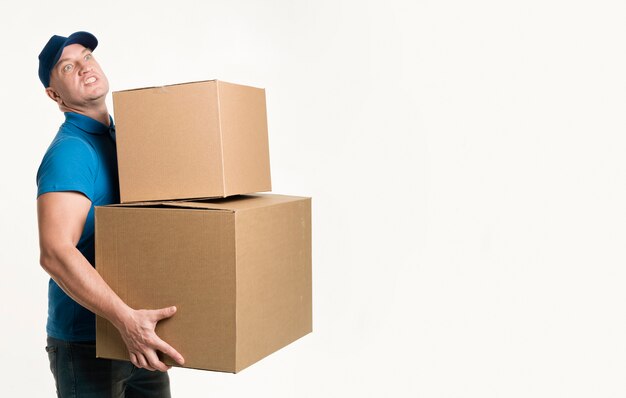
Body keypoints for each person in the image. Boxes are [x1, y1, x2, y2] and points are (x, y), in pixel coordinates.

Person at [36, 31, 185, 397]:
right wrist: (125, 321)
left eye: (87, 56)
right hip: (90, 344)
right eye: (68, 66)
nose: (84, 66)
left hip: (137, 333)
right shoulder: (72, 151)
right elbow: (55, 252)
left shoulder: (123, 139)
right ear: (55, 95)